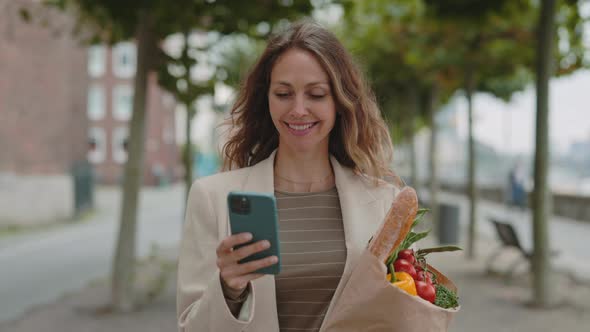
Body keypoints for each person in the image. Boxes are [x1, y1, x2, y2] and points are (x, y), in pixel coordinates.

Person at [177, 20, 402, 332]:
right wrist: (228, 287)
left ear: (339, 101)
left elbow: (403, 312)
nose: (298, 110)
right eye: (283, 93)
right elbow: (191, 327)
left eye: (316, 94)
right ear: (265, 98)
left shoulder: (385, 202)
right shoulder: (212, 198)